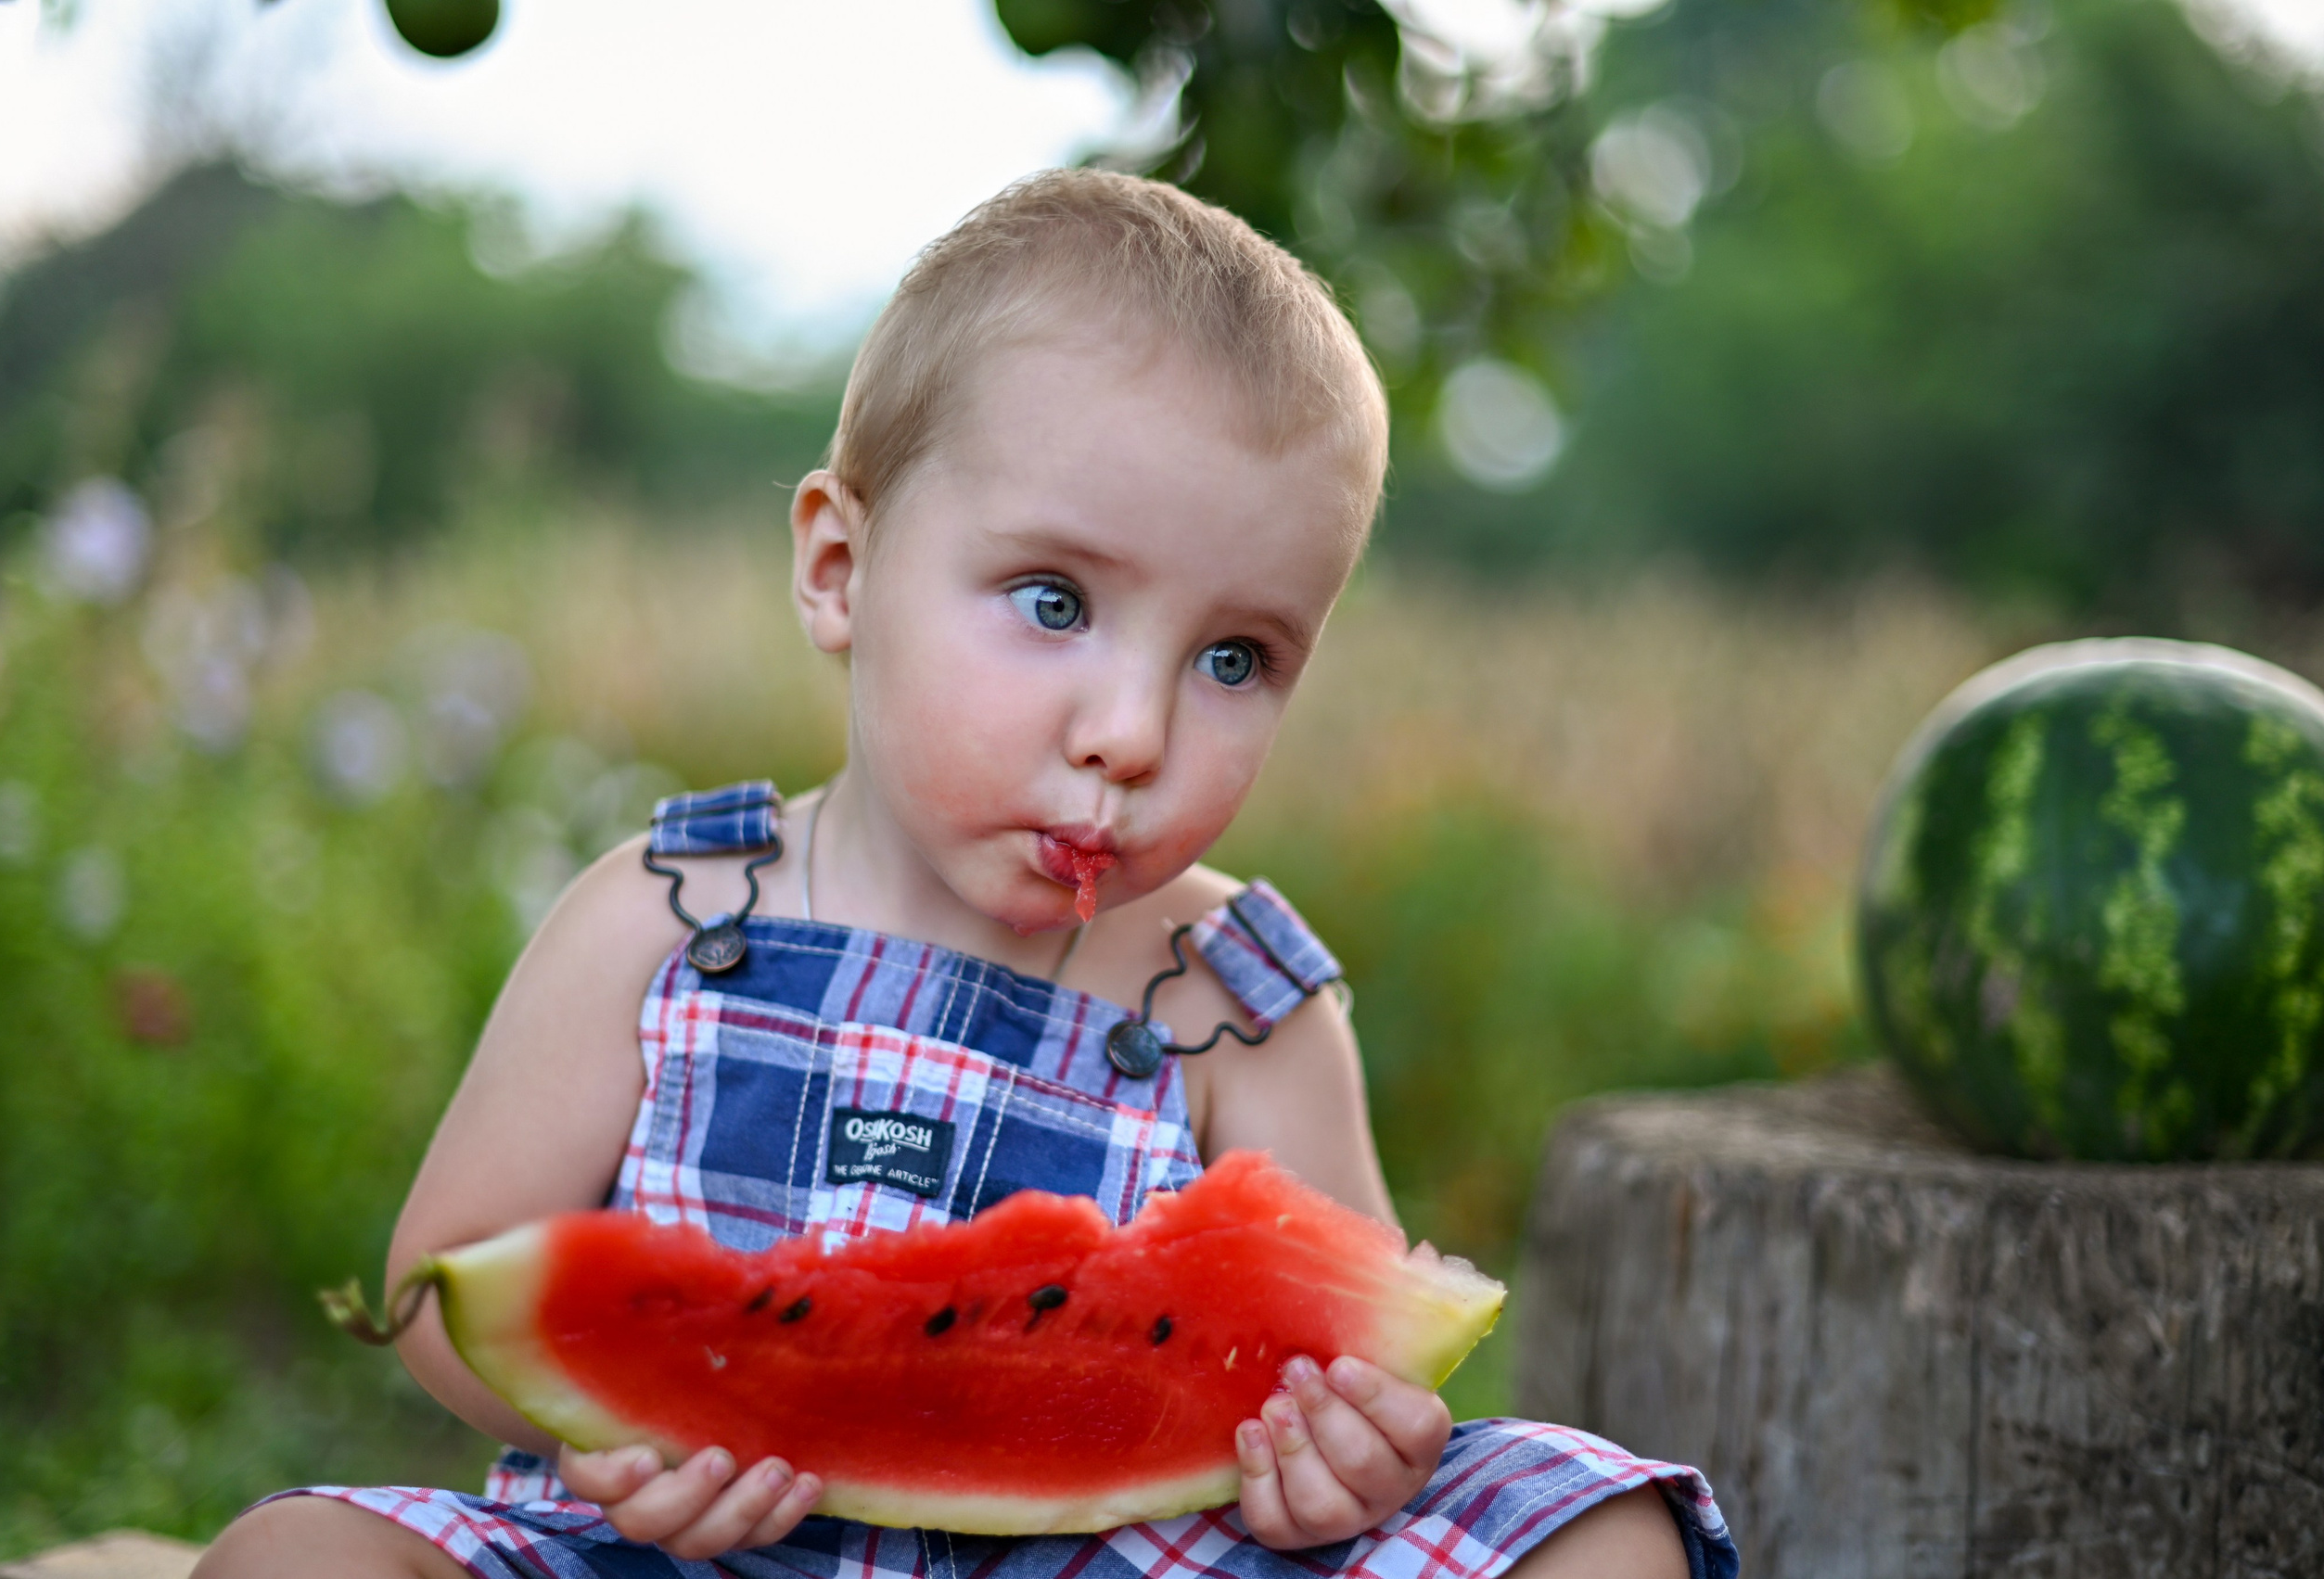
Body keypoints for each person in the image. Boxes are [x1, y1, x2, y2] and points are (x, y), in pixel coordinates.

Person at [196, 170, 1736, 1579]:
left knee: (1600, 1530)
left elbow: (1342, 1362)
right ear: (839, 572)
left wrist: (1344, 1459)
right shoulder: (668, 916)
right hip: (670, 1556)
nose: (1130, 732)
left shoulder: (1239, 1003)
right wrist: (627, 1439)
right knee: (292, 1560)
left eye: (1234, 657)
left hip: (1106, 1558)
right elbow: (441, 1288)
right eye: (1055, 601)